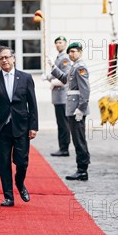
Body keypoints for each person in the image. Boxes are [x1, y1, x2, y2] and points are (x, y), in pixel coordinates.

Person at [0, 46, 38, 207]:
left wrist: (33, 126)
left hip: (21, 126)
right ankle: (8, 196)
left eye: (7, 57)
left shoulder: (25, 78)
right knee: (3, 162)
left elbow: (32, 104)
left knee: (22, 162)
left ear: (13, 58)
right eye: (1, 58)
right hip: (2, 128)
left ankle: (19, 183)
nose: (5, 60)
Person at [49, 42, 91, 181]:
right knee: (77, 139)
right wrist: (54, 68)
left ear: (80, 52)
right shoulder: (74, 66)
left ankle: (82, 170)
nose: (72, 54)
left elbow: (85, 90)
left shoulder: (80, 67)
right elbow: (65, 79)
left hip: (77, 109)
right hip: (72, 108)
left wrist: (81, 108)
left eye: (74, 51)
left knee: (79, 140)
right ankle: (81, 168)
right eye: (70, 52)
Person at [45, 36, 72, 157]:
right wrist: (48, 76)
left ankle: (64, 148)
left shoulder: (65, 58)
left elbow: (65, 76)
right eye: (56, 43)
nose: (58, 44)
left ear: (65, 44)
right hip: (57, 96)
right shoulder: (59, 57)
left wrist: (54, 82)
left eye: (60, 42)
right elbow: (56, 72)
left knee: (63, 123)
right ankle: (62, 146)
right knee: (60, 123)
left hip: (62, 95)